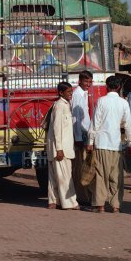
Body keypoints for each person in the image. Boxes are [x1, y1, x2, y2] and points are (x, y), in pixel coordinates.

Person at [87, 75, 131, 213]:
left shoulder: (101, 101)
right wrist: (130, 143)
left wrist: (90, 141)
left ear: (107, 86)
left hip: (102, 143)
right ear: (119, 87)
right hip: (116, 144)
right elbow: (128, 125)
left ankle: (100, 205)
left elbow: (95, 122)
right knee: (116, 176)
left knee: (101, 175)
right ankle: (116, 206)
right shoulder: (124, 103)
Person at [46, 81, 79, 210]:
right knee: (65, 177)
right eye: (69, 92)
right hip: (60, 149)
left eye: (71, 92)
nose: (71, 94)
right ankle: (70, 203)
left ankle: (53, 201)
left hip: (61, 148)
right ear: (61, 93)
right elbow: (57, 128)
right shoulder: (60, 105)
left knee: (56, 176)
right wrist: (59, 149)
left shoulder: (64, 104)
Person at [71, 70, 93, 205]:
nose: (88, 84)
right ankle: (82, 196)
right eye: (86, 81)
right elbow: (76, 119)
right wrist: (78, 138)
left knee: (84, 166)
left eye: (90, 82)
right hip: (81, 135)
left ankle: (85, 194)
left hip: (85, 132)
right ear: (80, 81)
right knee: (81, 167)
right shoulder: (77, 95)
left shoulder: (83, 94)